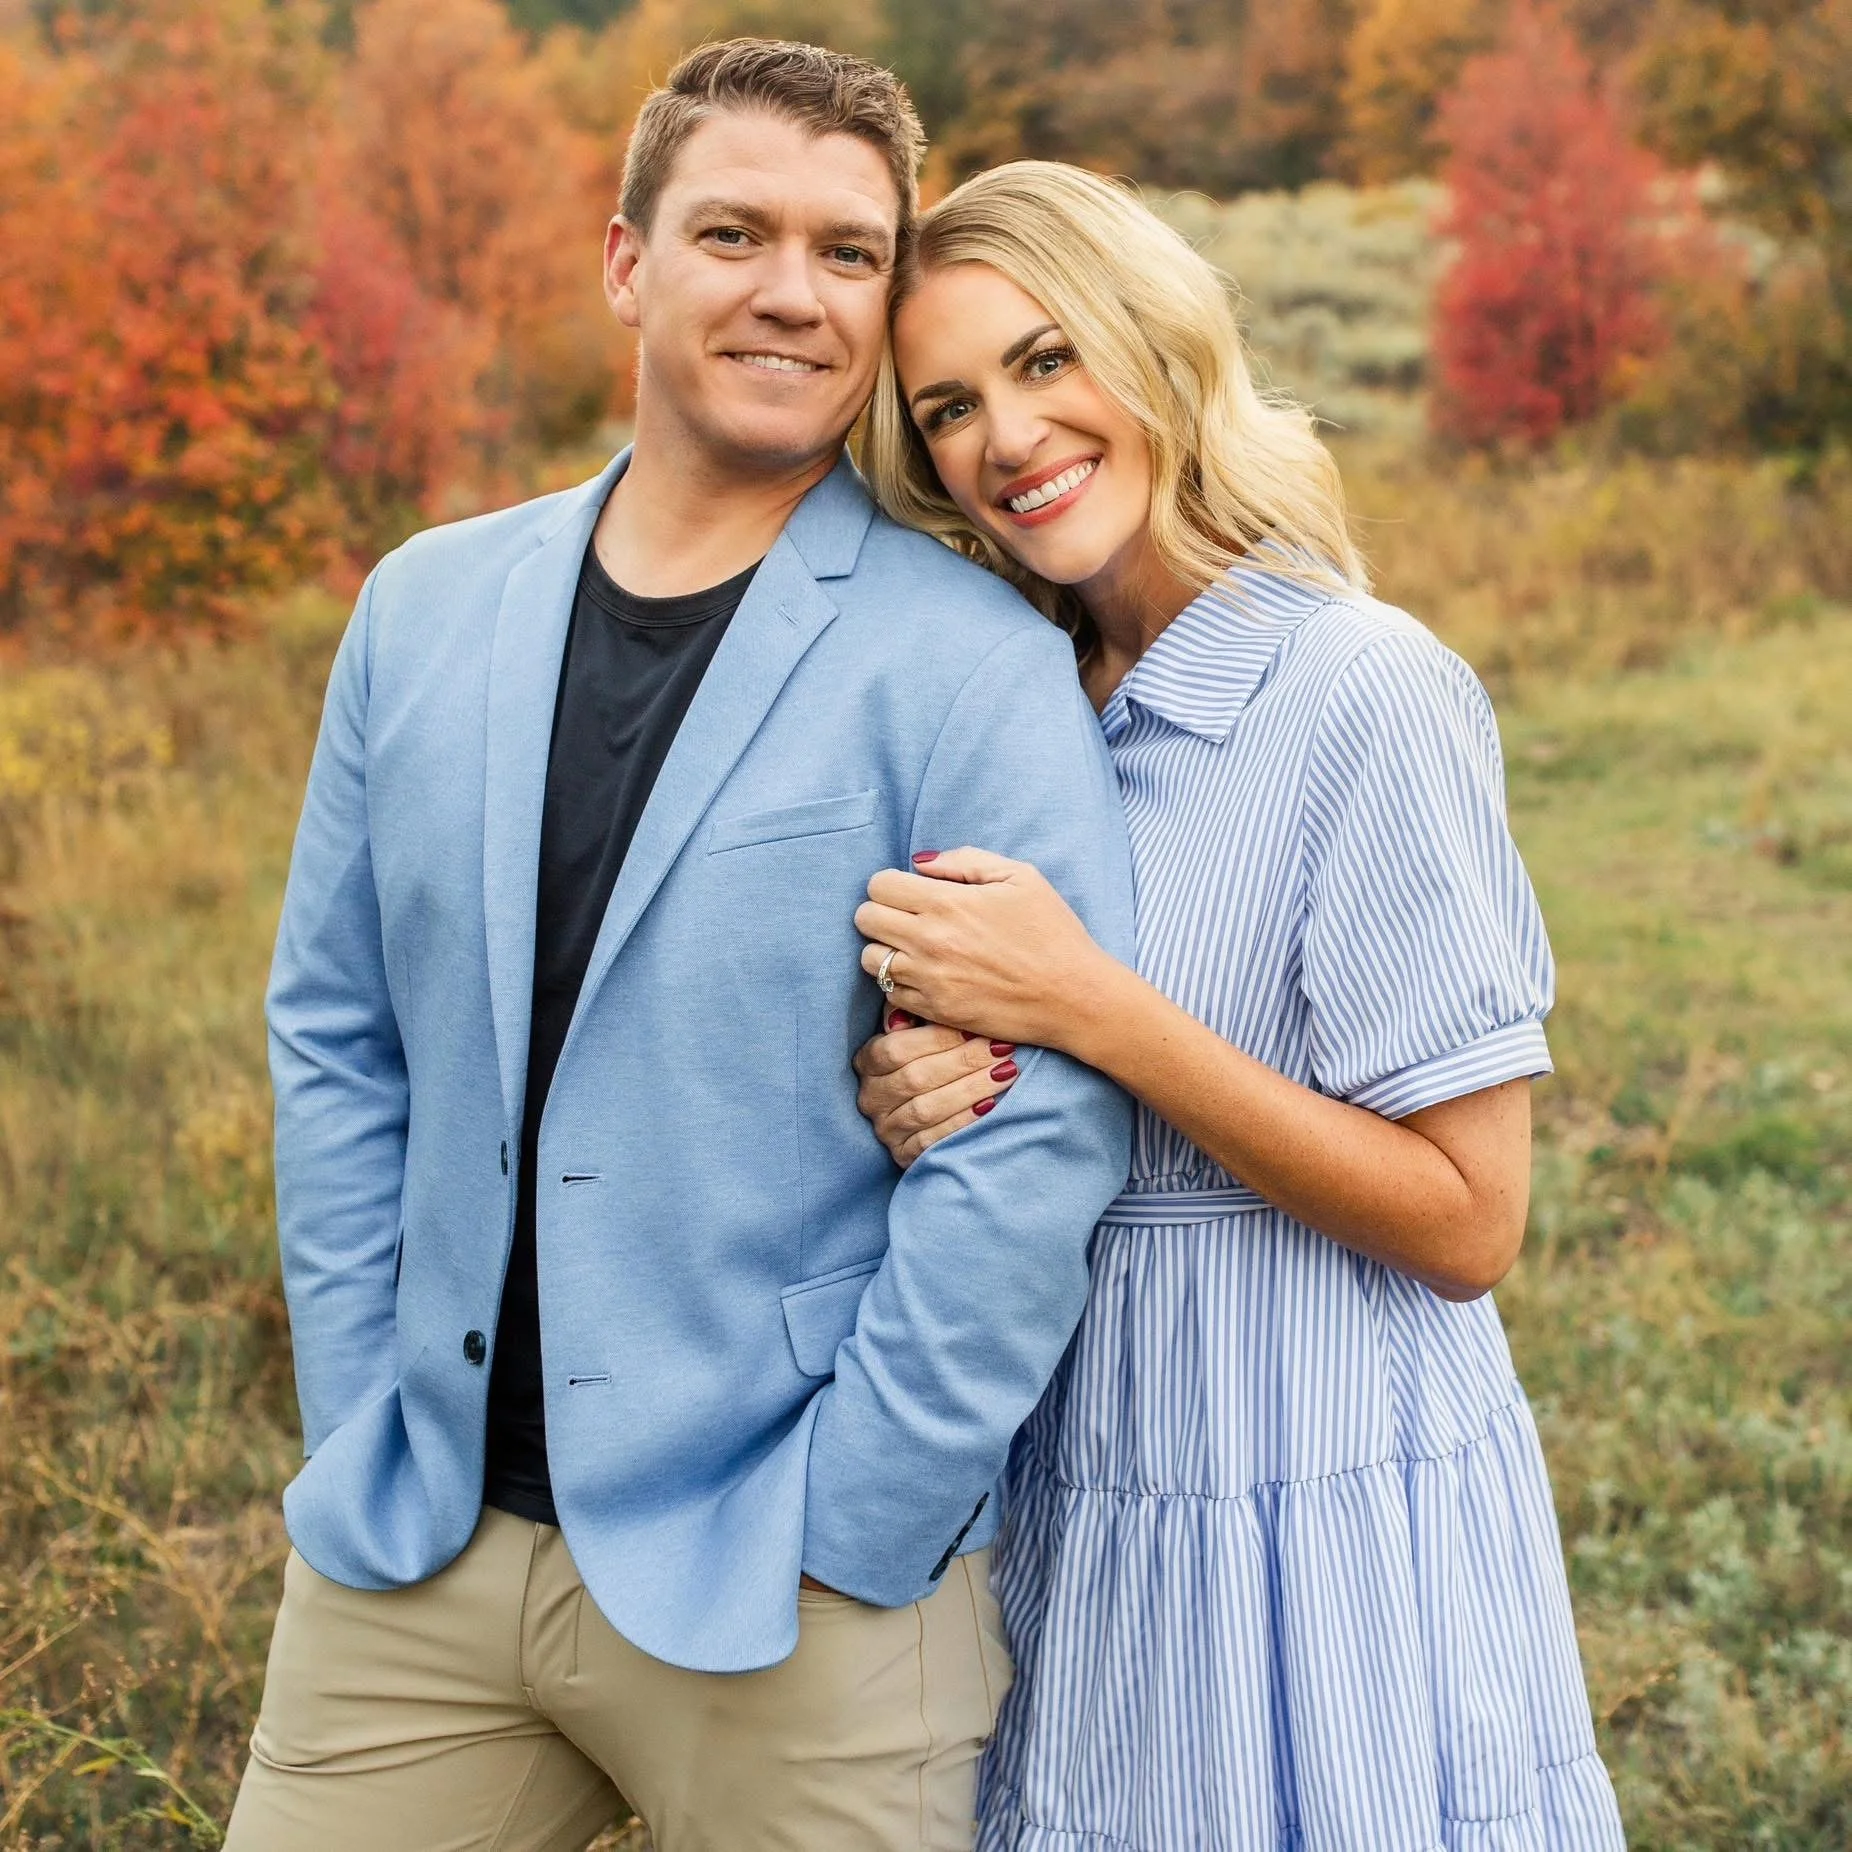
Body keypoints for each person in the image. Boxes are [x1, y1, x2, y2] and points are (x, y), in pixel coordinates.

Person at [228, 49, 1134, 1852]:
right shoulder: (422, 608)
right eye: (735, 232)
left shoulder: (967, 662)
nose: (792, 290)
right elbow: (338, 1034)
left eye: (848, 252)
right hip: (419, 1561)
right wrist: (359, 1416)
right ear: (630, 262)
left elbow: (1041, 1130)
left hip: (790, 1581)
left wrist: (863, 1510)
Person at [850, 162, 1627, 1851]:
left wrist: (1091, 1010)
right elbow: (1023, 1076)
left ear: (1156, 343)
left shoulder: (1364, 692)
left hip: (1311, 1497)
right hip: (1074, 1485)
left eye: (1050, 358)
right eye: (951, 406)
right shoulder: (1014, 712)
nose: (1009, 434)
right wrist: (926, 1092)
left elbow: (1471, 1218)